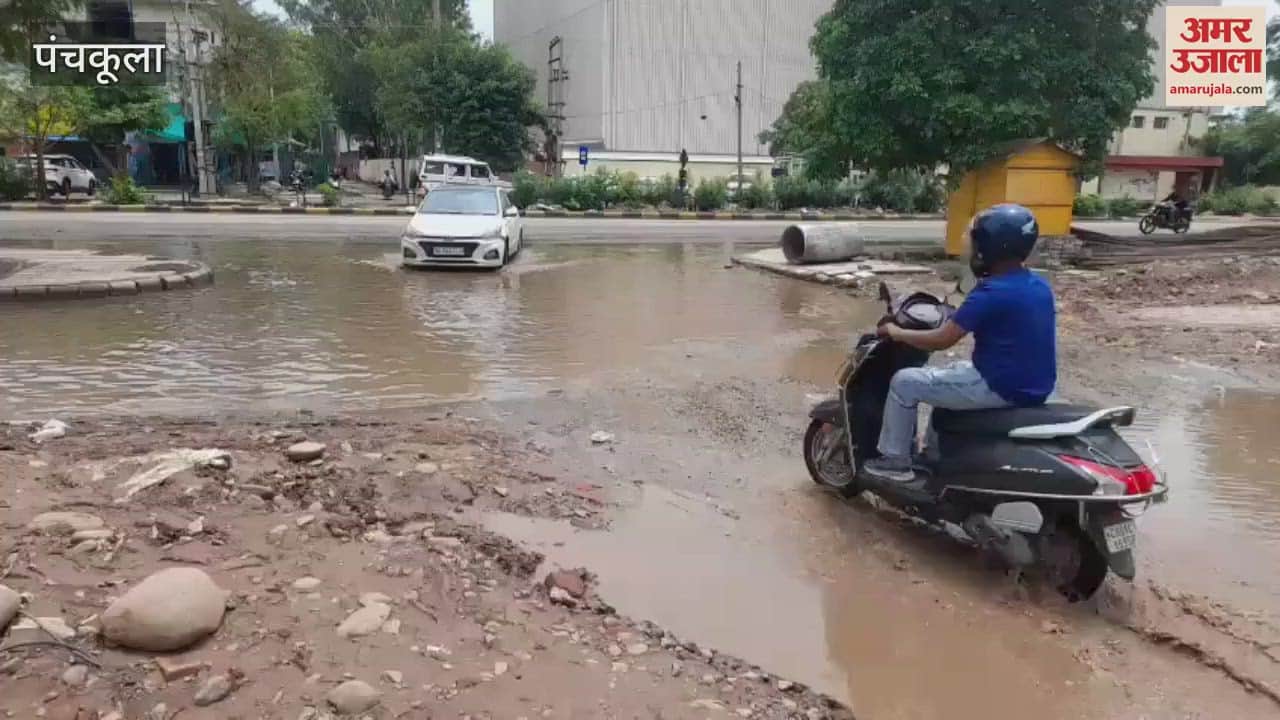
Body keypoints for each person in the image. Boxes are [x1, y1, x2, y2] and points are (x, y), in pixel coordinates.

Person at [861, 203, 1057, 485]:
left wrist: (896, 332)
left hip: (998, 386)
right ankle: (934, 453)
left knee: (905, 382)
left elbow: (942, 339)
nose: (971, 248)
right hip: (1032, 384)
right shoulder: (1038, 286)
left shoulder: (990, 292)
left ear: (990, 247)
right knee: (951, 371)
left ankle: (896, 461)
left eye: (975, 241)